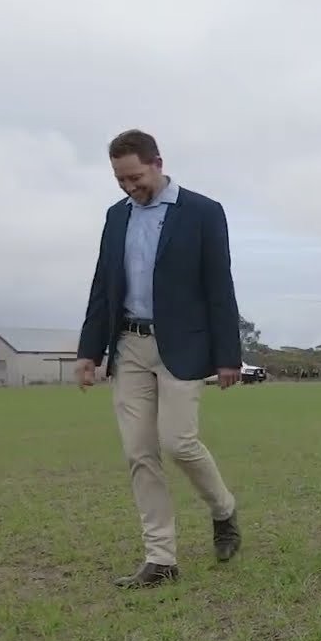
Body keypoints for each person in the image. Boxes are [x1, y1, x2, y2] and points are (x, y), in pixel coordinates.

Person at [75, 129, 242, 588]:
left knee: (178, 442)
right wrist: (89, 351)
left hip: (182, 347)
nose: (129, 187)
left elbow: (219, 285)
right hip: (127, 344)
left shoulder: (203, 213)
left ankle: (223, 510)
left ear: (157, 162)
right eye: (120, 180)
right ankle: (161, 558)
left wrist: (229, 355)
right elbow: (102, 286)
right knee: (138, 452)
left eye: (135, 177)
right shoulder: (115, 218)